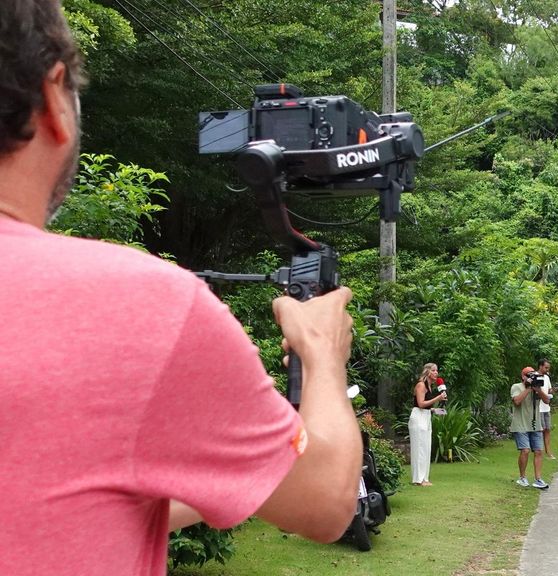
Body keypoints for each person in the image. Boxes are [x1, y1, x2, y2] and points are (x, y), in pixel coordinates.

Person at [0, 2, 362, 574]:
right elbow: (325, 501)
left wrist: (229, 466)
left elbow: (50, 502)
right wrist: (322, 354)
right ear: (52, 98)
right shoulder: (136, 310)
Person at [511, 366, 551, 489]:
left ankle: (538, 479)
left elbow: (547, 401)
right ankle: (522, 478)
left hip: (535, 424)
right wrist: (528, 388)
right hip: (520, 424)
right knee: (525, 450)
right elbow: (517, 401)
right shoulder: (516, 387)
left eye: (533, 375)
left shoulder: (537, 387)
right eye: (529, 375)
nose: (532, 377)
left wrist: (537, 389)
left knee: (539, 451)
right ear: (523, 376)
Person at [410, 362, 447, 486]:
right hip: (418, 417)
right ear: (427, 372)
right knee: (419, 448)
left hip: (425, 417)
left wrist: (438, 410)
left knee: (426, 448)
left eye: (437, 370)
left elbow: (427, 407)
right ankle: (418, 479)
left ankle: (424, 478)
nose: (436, 373)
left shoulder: (430, 386)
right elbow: (420, 404)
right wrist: (438, 398)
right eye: (434, 370)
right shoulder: (421, 385)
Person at [536, 358, 556, 459]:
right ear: (540, 366)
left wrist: (551, 391)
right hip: (538, 408)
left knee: (548, 429)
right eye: (546, 367)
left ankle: (548, 451)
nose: (547, 369)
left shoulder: (547, 377)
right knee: (541, 430)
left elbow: (549, 389)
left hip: (546, 407)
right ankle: (539, 451)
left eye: (548, 368)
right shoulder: (535, 376)